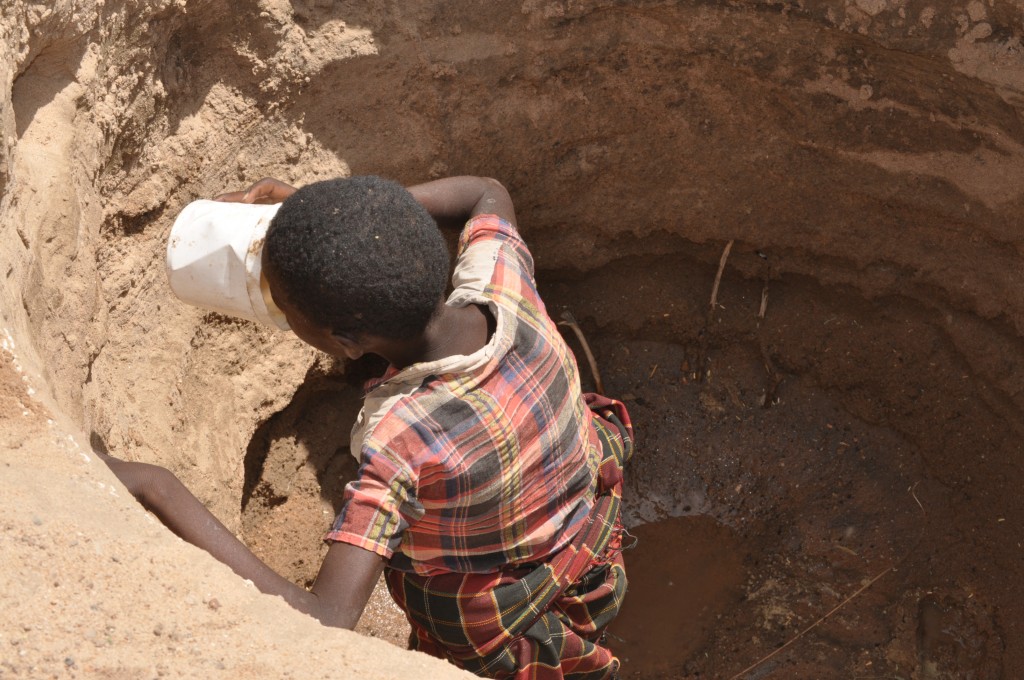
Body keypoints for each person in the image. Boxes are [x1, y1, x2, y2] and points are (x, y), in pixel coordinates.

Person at [101, 175, 634, 679]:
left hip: (496, 608)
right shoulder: (504, 279)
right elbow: (484, 191)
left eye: (284, 308)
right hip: (585, 528)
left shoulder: (401, 438)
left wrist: (159, 487)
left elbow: (326, 619)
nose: (282, 312)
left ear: (347, 342)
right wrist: (333, 213)